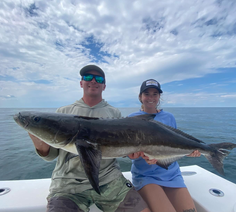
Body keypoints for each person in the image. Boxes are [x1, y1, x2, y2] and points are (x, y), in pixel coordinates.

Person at [28, 65, 151, 212]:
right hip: (68, 186)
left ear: (104, 86)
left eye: (98, 78)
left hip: (110, 181)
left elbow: (121, 150)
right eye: (87, 77)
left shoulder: (114, 113)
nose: (93, 81)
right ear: (81, 83)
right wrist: (38, 140)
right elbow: (51, 156)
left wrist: (133, 153)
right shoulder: (63, 112)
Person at [128, 79, 201, 212]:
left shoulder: (169, 117)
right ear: (140, 97)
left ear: (159, 97)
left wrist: (188, 151)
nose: (151, 98)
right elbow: (130, 151)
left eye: (155, 94)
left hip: (172, 174)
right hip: (146, 176)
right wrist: (138, 156)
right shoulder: (131, 119)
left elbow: (176, 144)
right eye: (147, 94)